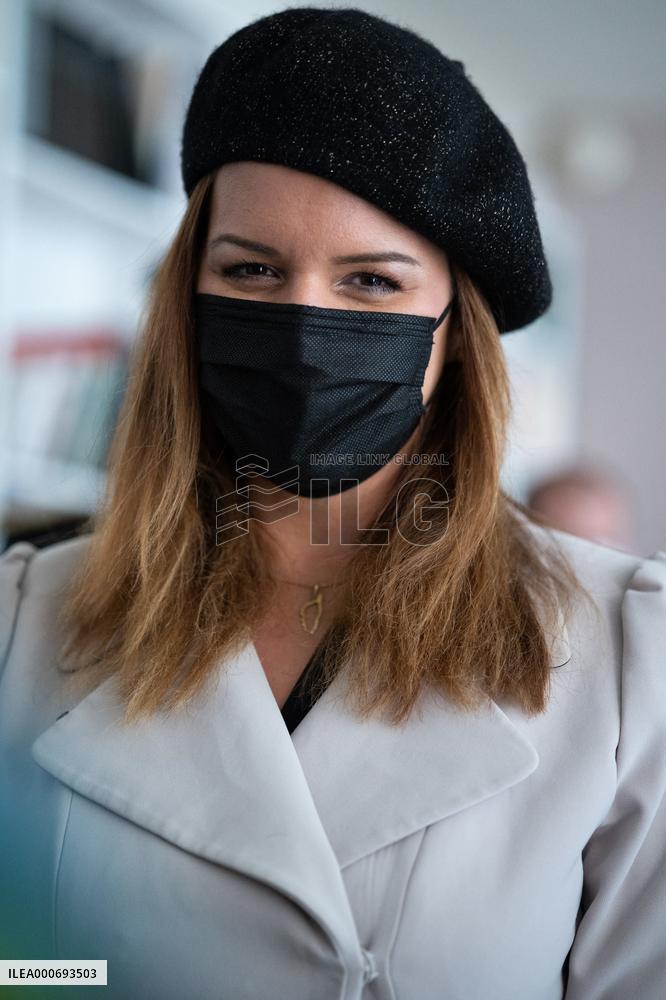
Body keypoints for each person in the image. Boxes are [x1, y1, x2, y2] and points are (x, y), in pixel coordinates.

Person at [0, 7, 664, 1000]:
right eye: (251, 270)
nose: (304, 329)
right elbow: (19, 970)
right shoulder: (22, 618)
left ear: (450, 336)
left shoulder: (627, 655)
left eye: (370, 282)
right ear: (187, 298)